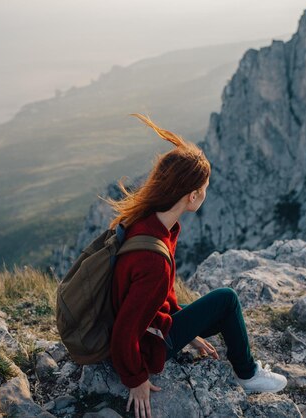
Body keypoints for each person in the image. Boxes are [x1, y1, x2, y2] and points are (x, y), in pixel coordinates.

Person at [102, 114, 287, 418]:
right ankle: (248, 374)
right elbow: (125, 331)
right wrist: (136, 380)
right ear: (193, 196)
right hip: (149, 343)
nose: (206, 192)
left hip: (153, 323)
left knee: (214, 307)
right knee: (227, 299)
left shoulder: (149, 224)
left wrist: (189, 328)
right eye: (206, 187)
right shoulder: (153, 259)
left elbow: (154, 298)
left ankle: (243, 366)